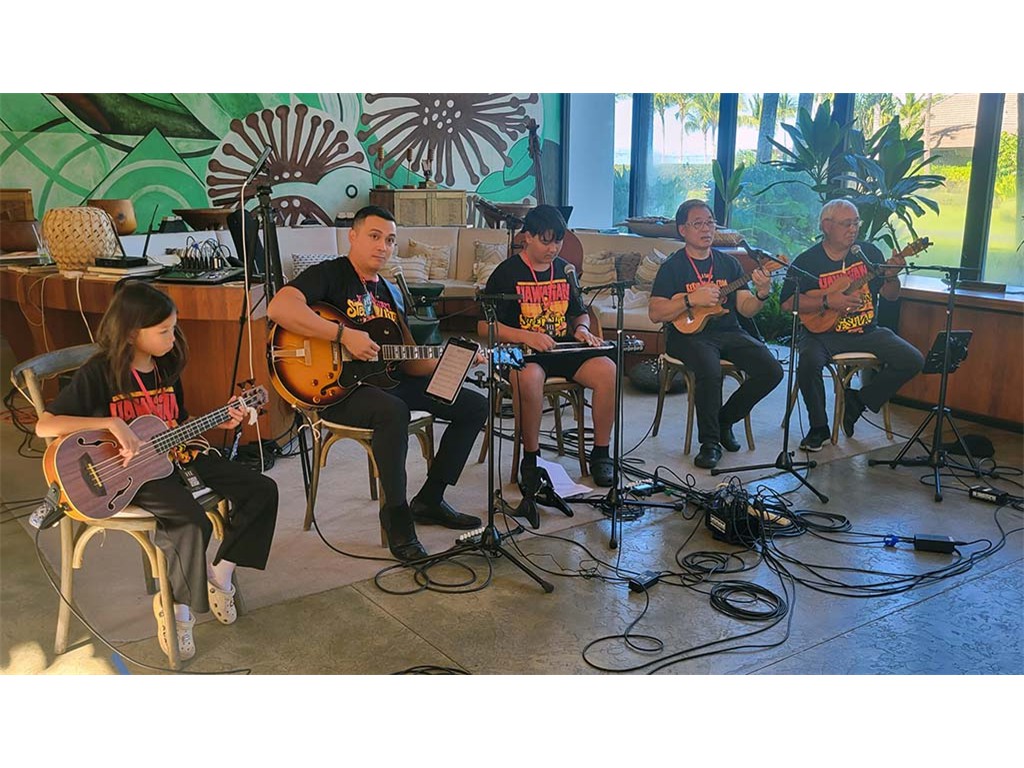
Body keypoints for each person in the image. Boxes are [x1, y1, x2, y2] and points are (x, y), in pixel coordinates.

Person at [36, 281, 278, 662]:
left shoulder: (166, 366)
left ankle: (221, 573)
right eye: (164, 331)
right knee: (190, 522)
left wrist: (222, 420)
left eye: (174, 328)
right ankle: (176, 611)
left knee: (262, 489)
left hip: (175, 455)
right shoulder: (100, 372)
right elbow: (44, 425)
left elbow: (176, 422)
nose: (173, 337)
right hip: (128, 473)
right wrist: (113, 424)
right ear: (133, 332)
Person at [266, 205, 487, 562]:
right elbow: (279, 308)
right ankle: (397, 519)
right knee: (393, 411)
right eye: (374, 236)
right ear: (352, 237)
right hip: (339, 390)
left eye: (390, 240)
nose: (383, 246)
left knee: (475, 405)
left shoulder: (391, 292)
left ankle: (430, 499)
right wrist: (343, 335)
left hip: (388, 382)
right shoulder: (330, 274)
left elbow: (411, 361)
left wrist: (455, 359)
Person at [482, 205, 617, 502]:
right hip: (523, 353)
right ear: (527, 237)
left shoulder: (565, 270)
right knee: (530, 378)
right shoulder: (507, 272)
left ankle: (601, 453)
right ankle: (531, 459)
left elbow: (579, 313)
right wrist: (526, 335)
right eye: (546, 241)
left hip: (562, 348)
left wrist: (582, 330)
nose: (553, 249)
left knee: (608, 370)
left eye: (558, 241)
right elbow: (484, 326)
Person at [648, 199, 784, 469]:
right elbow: (655, 312)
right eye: (698, 223)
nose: (706, 229)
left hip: (728, 331)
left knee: (772, 370)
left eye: (710, 222)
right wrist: (691, 299)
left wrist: (762, 293)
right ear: (682, 230)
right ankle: (710, 443)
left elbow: (746, 309)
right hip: (687, 337)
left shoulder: (728, 264)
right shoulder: (673, 266)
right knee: (709, 370)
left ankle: (724, 420)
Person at [781, 199, 924, 451]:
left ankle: (859, 400)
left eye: (856, 223)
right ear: (826, 226)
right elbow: (787, 303)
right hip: (821, 334)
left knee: (913, 359)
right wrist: (827, 301)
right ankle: (818, 428)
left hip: (867, 331)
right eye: (846, 224)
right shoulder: (807, 261)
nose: (853, 229)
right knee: (809, 362)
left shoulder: (868, 254)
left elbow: (891, 296)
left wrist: (891, 277)